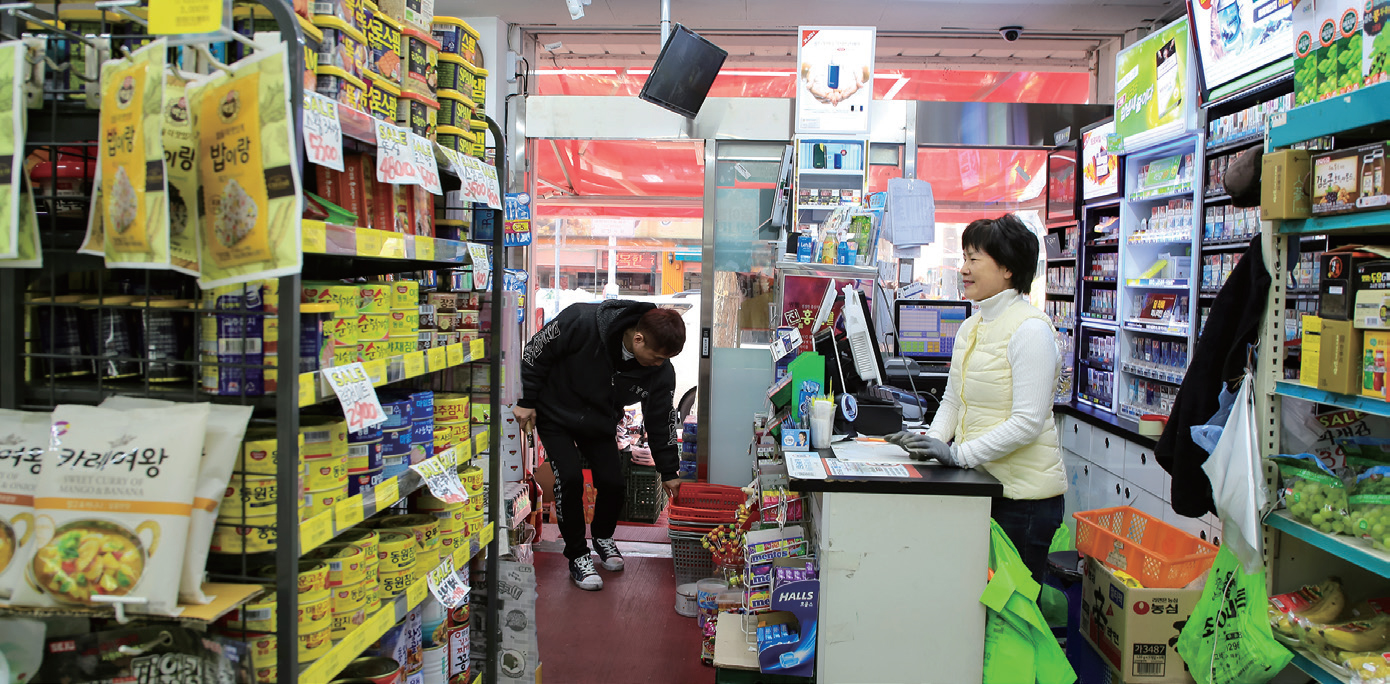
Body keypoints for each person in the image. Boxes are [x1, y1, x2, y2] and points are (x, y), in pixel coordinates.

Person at [887, 214, 1066, 583]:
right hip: (984, 486)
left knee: (1010, 616)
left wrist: (958, 455)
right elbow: (952, 401)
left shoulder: (1030, 330)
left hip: (1023, 501)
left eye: (973, 259)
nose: (963, 268)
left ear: (1006, 268)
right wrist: (931, 443)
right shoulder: (972, 326)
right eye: (964, 258)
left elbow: (1028, 422)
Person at [514, 300, 686, 590]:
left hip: (599, 420)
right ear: (638, 338)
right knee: (569, 478)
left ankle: (604, 538)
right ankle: (578, 555)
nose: (659, 364)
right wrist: (527, 401)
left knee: (613, 482)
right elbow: (535, 351)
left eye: (664, 359)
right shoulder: (582, 321)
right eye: (655, 357)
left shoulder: (661, 371)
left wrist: (669, 471)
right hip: (554, 412)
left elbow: (661, 420)